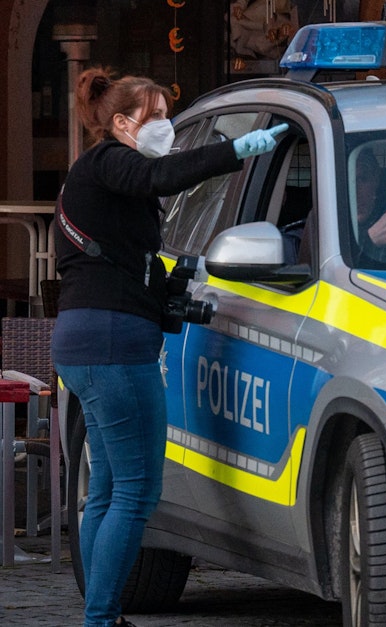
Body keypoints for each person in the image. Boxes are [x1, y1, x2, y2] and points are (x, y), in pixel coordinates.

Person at [52, 67, 282, 627]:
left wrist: (184, 273)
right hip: (113, 346)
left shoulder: (99, 177)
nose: (165, 126)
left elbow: (125, 258)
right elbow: (163, 176)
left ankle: (101, 615)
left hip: (86, 341)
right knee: (136, 491)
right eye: (154, 116)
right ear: (121, 123)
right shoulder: (110, 162)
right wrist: (236, 150)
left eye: (166, 115)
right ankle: (101, 618)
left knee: (107, 489)